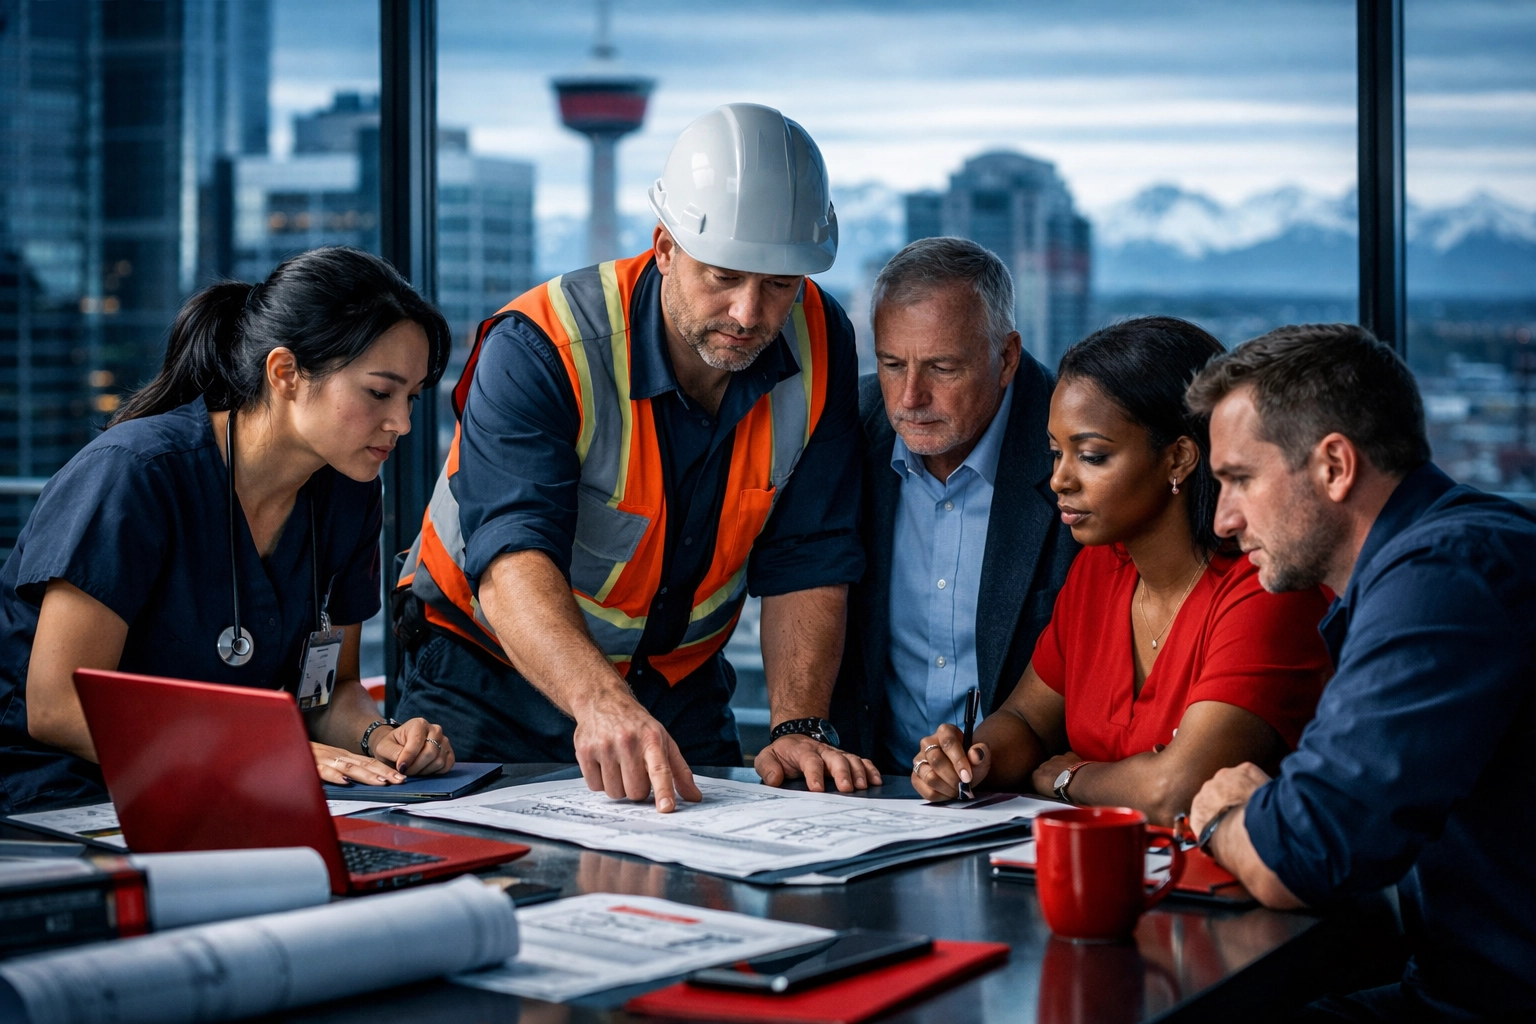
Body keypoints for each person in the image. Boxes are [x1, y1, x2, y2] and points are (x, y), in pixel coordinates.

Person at [394, 103, 877, 812]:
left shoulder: (819, 339)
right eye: (724, 276)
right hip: (490, 684)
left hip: (679, 689)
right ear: (665, 248)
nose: (750, 313)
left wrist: (797, 722)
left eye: (779, 284)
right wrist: (601, 704)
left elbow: (811, 552)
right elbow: (510, 559)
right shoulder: (543, 347)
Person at [0, 247, 459, 815]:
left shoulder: (349, 491)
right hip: (57, 799)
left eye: (412, 398)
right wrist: (262, 753)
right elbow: (58, 708)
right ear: (285, 373)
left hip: (226, 792)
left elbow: (330, 694)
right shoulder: (135, 474)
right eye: (379, 393)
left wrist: (380, 739)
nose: (403, 424)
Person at [1185, 324, 1536, 1021]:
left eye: (1240, 479)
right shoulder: (1452, 550)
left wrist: (1223, 817)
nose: (1224, 519)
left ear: (1335, 466)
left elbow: (1306, 851)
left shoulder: (1445, 577)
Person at [911, 317, 1332, 824]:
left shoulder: (1265, 590)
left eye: (1091, 456)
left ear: (1178, 458)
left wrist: (1070, 779)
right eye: (1055, 452)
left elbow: (1176, 789)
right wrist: (971, 761)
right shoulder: (1098, 570)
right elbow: (1026, 719)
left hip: (1234, 894)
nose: (1059, 480)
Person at [830, 237, 1077, 774]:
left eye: (942, 369)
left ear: (1006, 357)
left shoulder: (1077, 448)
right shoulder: (845, 431)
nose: (910, 398)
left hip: (1022, 800)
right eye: (892, 364)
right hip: (870, 793)